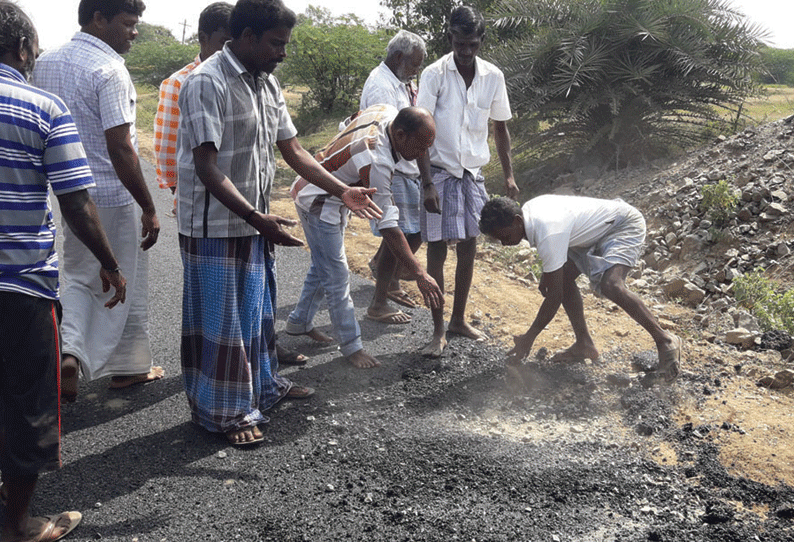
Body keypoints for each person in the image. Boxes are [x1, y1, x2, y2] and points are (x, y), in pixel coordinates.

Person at [177, 0, 383, 445]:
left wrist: (341, 190)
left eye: (285, 44)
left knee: (256, 313)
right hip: (214, 224)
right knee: (223, 322)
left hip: (254, 220)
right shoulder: (205, 83)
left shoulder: (266, 84)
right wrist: (254, 215)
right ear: (247, 37)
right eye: (276, 43)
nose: (282, 53)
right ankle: (226, 413)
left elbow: (295, 151)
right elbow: (207, 168)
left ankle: (264, 388)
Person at [0, 2, 126, 540]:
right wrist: (109, 264)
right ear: (25, 50)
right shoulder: (39, 106)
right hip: (21, 284)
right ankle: (17, 526)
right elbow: (76, 204)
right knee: (28, 403)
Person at [32, 0, 162, 403]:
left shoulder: (46, 61)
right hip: (111, 194)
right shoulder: (110, 70)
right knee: (123, 279)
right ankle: (111, 363)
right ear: (98, 19)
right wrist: (149, 206)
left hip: (68, 194)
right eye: (128, 23)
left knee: (78, 276)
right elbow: (122, 146)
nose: (134, 32)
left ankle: (85, 354)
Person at [287, 105, 444, 368]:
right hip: (316, 200)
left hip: (334, 195)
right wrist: (419, 273)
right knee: (337, 275)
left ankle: (299, 322)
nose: (422, 154)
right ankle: (352, 346)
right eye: (420, 147)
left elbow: (346, 122)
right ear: (402, 135)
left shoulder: (386, 112)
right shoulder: (377, 161)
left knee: (323, 264)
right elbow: (389, 226)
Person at [479, 195, 682, 383]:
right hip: (589, 233)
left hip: (622, 224)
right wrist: (549, 274)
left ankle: (665, 340)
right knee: (563, 279)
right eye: (499, 240)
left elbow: (555, 296)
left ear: (517, 221)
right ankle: (584, 344)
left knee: (612, 285)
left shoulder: (548, 230)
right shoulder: (530, 214)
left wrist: (528, 338)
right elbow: (556, 263)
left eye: (505, 236)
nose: (504, 244)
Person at [416, 5, 519, 358]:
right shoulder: (434, 75)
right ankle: (437, 329)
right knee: (437, 248)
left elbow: (500, 128)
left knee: (470, 246)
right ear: (450, 39)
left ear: (481, 41)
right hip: (440, 173)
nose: (466, 50)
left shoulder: (493, 76)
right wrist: (427, 182)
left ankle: (459, 319)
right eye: (460, 43)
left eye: (472, 44)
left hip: (472, 175)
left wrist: (508, 174)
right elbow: (420, 129)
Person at [360, 30, 426, 322]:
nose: (417, 70)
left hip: (404, 165)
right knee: (398, 232)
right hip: (392, 168)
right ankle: (380, 300)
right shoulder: (380, 86)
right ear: (398, 57)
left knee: (408, 231)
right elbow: (384, 135)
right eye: (414, 63)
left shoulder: (400, 81)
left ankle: (388, 281)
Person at [154, 2, 232, 218]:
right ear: (203, 38)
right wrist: (180, 192)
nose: (229, 51)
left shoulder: (239, 80)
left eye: (234, 43)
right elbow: (167, 147)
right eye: (223, 42)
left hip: (237, 197)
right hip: (197, 199)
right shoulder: (179, 83)